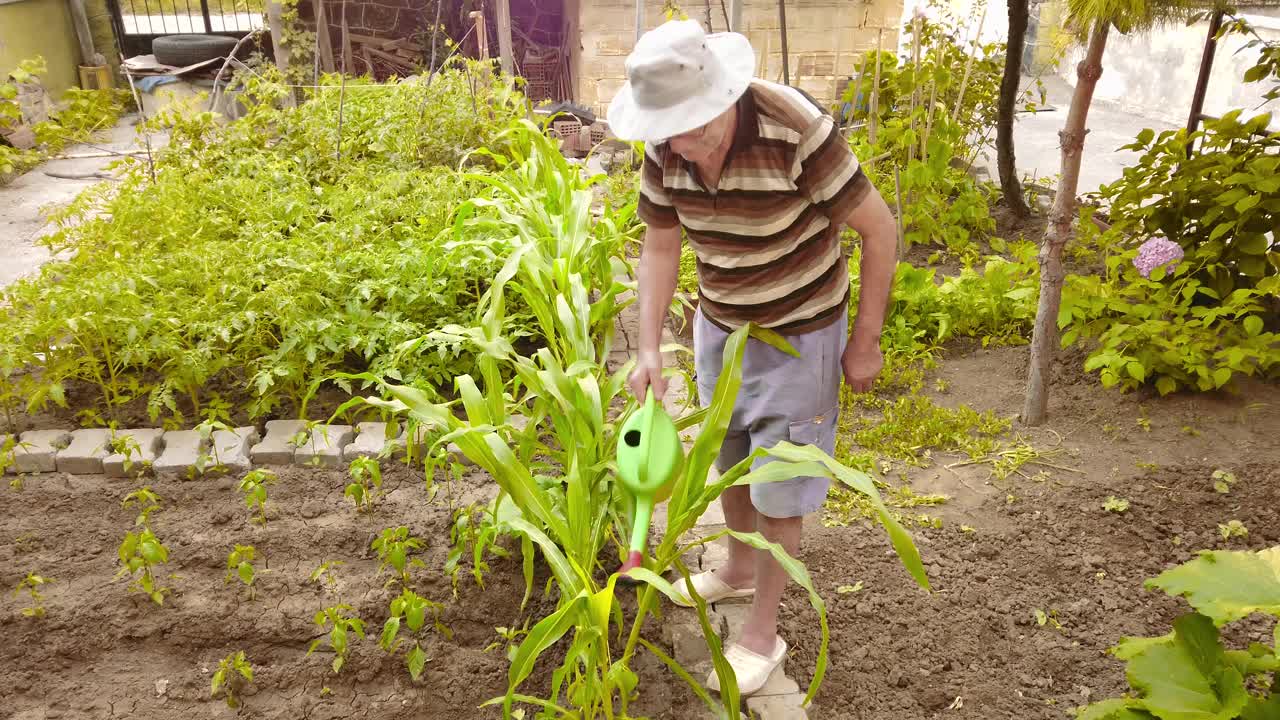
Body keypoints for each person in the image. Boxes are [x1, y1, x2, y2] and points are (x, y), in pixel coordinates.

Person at [606, 20, 898, 695]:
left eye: (691, 126)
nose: (679, 145)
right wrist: (648, 347)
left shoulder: (793, 128)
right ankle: (737, 567)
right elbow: (659, 245)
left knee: (779, 485)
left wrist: (867, 339)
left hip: (801, 330)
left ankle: (763, 632)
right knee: (730, 460)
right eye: (667, 131)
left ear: (722, 97)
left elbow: (879, 230)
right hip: (722, 325)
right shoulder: (664, 145)